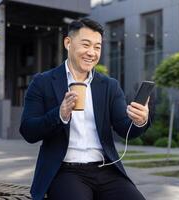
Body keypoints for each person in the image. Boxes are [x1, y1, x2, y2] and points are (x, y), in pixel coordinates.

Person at [19, 18, 150, 200]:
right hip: (65, 171)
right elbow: (28, 130)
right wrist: (59, 114)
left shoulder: (109, 85)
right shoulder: (43, 82)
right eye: (86, 45)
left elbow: (124, 128)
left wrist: (140, 120)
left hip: (106, 169)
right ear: (68, 43)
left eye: (97, 47)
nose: (92, 52)